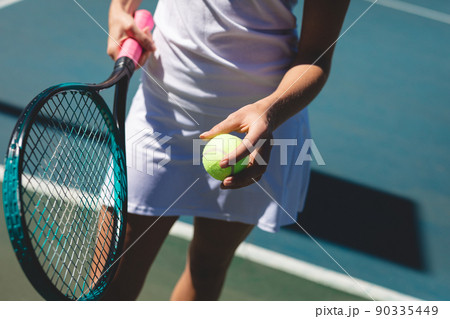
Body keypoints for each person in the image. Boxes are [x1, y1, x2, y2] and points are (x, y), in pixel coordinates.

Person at [103, 0, 349, 300]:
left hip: (254, 129)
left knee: (208, 267)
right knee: (111, 278)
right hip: (161, 112)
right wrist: (119, 10)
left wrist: (269, 113)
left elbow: (316, 56)